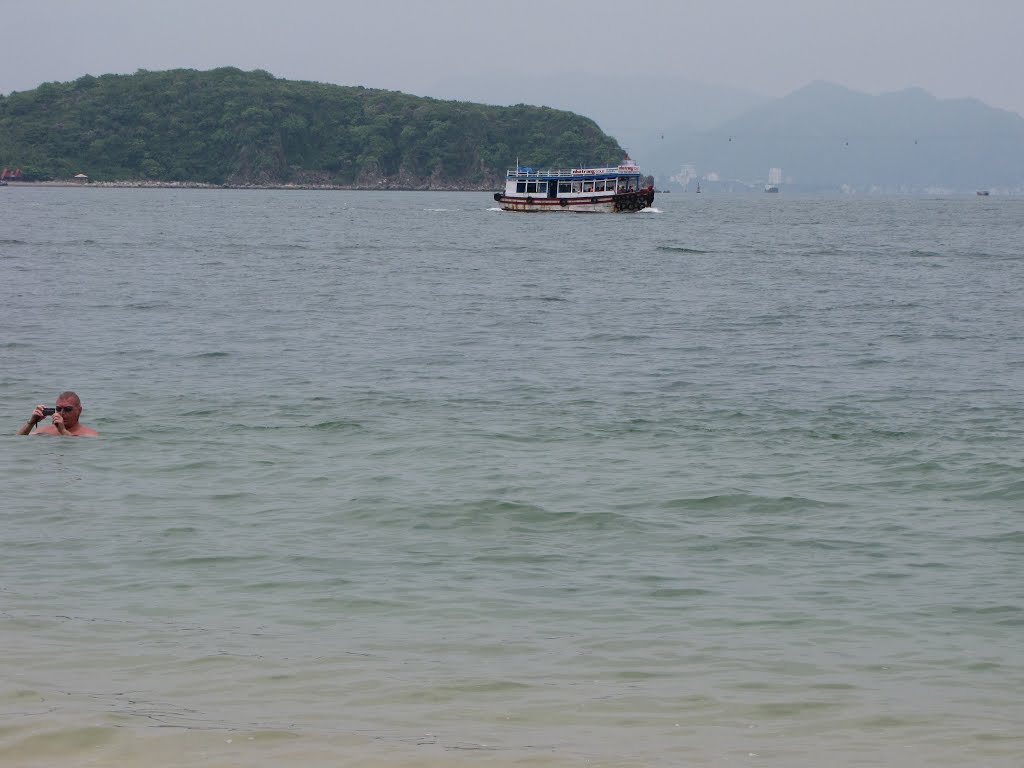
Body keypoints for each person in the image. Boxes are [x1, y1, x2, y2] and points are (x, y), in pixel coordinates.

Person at [17, 391, 98, 436]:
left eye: (67, 409)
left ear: (79, 411)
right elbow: (18, 440)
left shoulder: (89, 434)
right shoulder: (45, 431)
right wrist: (31, 422)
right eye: (58, 409)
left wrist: (62, 430)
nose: (62, 413)